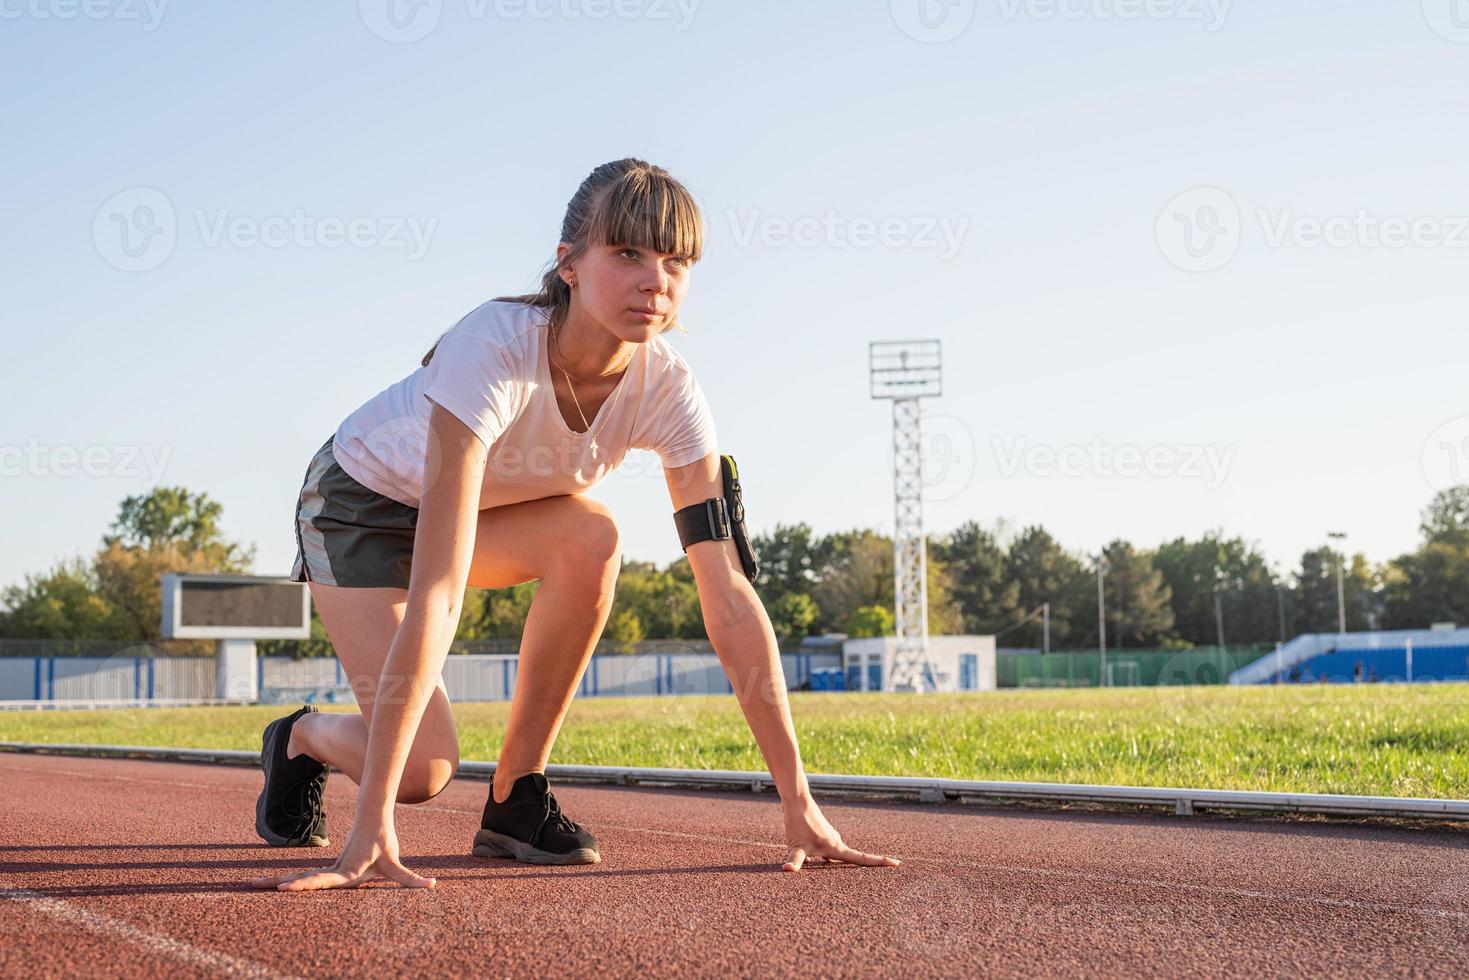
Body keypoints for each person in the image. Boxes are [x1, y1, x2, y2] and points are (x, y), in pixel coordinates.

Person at [252, 158, 901, 892]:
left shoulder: (671, 393)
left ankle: (514, 798)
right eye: (627, 254)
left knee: (593, 537)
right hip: (360, 507)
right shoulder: (490, 352)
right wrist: (373, 821)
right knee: (422, 771)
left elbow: (726, 594)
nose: (654, 280)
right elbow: (438, 589)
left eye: (676, 261)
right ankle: (303, 737)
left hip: (483, 517)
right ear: (568, 264)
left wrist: (799, 803)